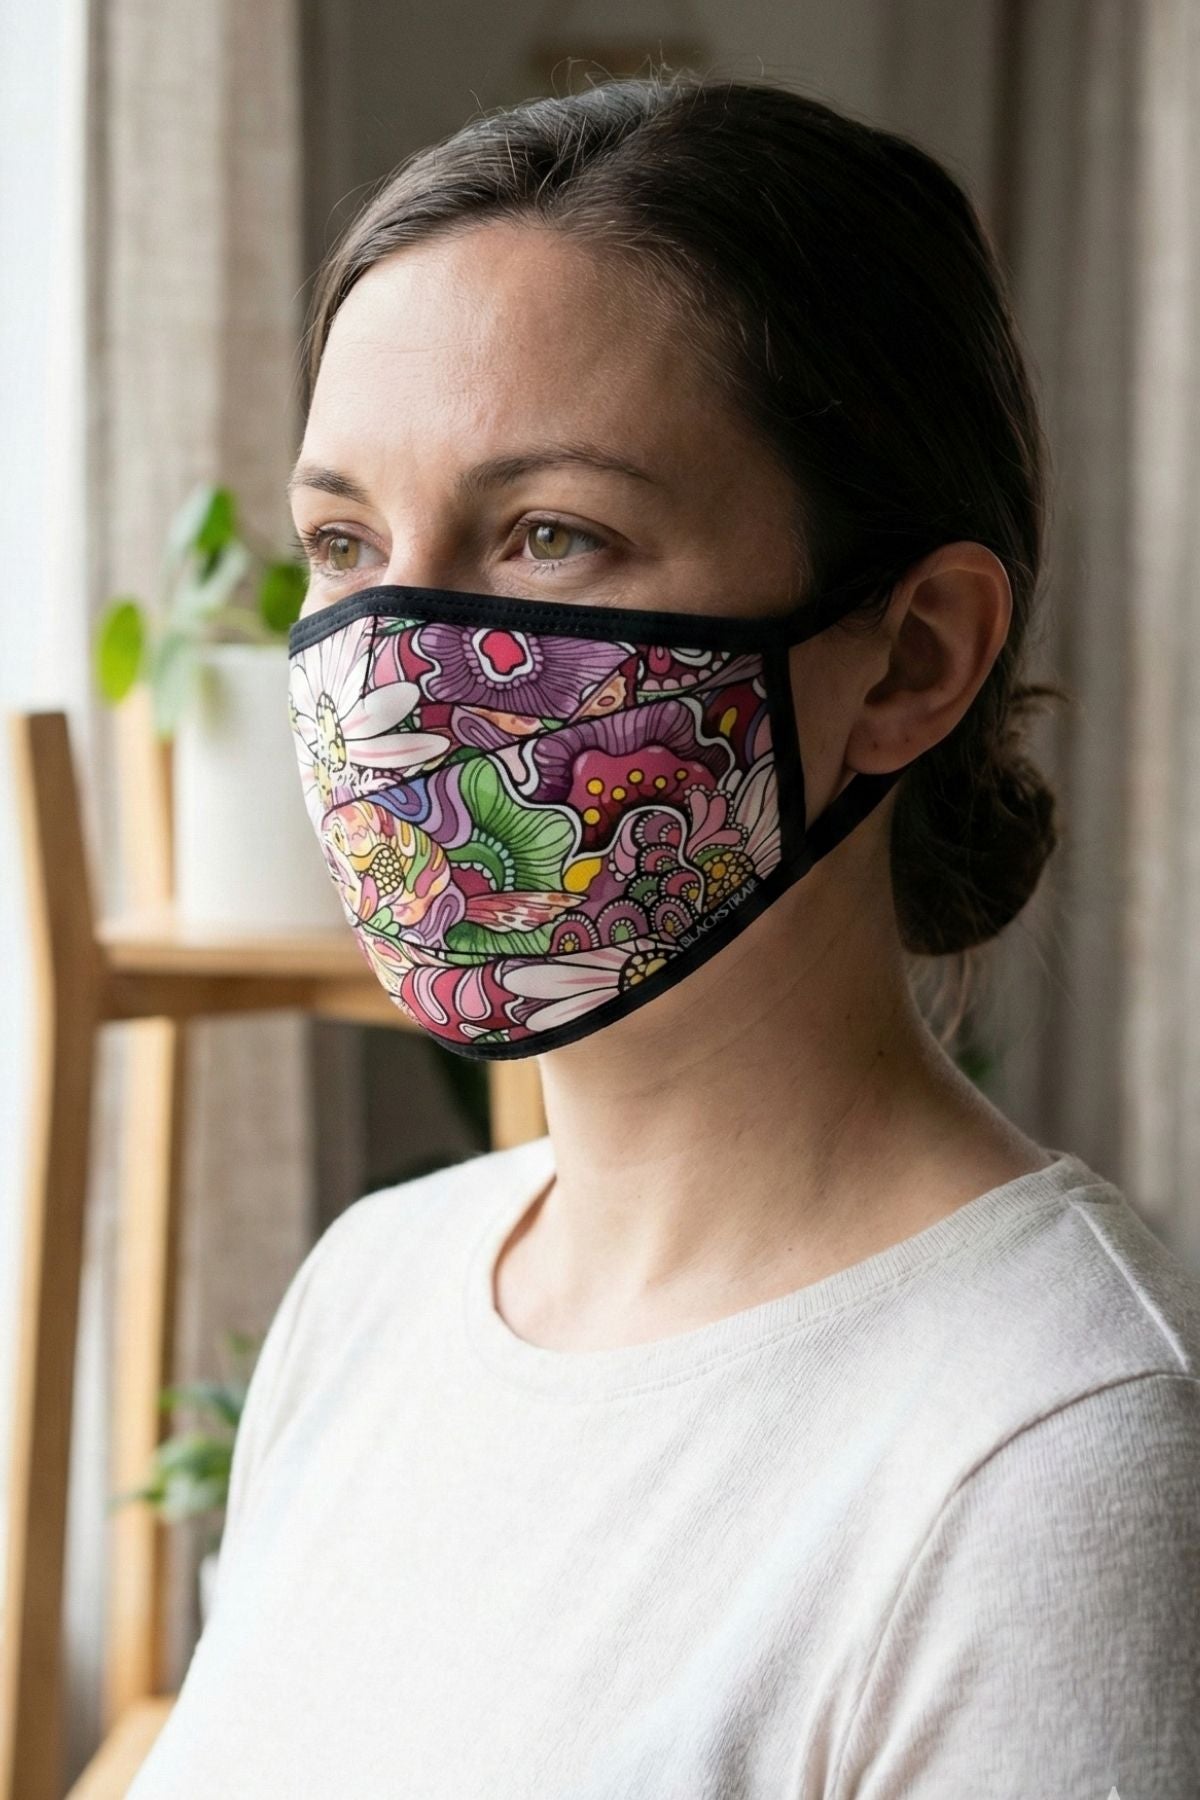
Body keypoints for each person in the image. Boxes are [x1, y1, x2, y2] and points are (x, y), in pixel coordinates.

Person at [128, 71, 1200, 1798]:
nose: (391, 667)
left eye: (551, 534)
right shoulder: (372, 1294)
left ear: (914, 655)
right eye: (343, 540)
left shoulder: (1050, 1451)